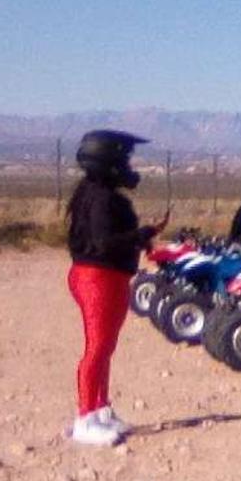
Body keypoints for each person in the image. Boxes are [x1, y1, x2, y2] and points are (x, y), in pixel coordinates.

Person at [63, 129, 158, 447]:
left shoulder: (95, 193)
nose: (129, 167)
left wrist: (139, 239)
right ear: (110, 161)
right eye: (125, 159)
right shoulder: (102, 199)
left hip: (107, 277)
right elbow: (104, 242)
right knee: (97, 348)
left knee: (105, 347)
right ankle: (85, 419)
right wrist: (140, 235)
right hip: (98, 279)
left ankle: (100, 409)